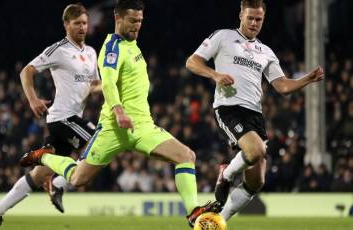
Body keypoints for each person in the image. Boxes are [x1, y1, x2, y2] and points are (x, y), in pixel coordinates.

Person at [20, 0, 215, 227]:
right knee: (77, 179)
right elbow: (109, 82)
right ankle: (43, 156)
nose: (137, 26)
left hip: (142, 126)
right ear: (117, 18)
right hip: (113, 127)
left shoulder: (133, 45)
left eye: (140, 21)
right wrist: (118, 111)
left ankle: (192, 213)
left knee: (186, 156)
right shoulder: (112, 47)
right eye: (132, 21)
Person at [186, 0, 324, 222]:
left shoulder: (266, 52)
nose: (254, 23)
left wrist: (306, 79)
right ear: (240, 15)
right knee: (256, 151)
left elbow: (282, 86)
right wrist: (215, 75)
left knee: (256, 181)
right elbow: (192, 62)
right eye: (250, 18)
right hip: (229, 109)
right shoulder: (223, 36)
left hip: (255, 115)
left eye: (258, 19)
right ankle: (227, 173)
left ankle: (218, 220)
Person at [0, 3, 101, 230]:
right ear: (66, 25)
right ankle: (59, 184)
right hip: (62, 118)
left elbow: (94, 85)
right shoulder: (58, 50)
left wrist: (109, 88)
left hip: (73, 119)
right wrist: (33, 99)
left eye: (85, 23)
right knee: (99, 142)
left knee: (38, 176)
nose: (83, 28)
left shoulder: (90, 52)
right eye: (77, 23)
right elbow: (26, 71)